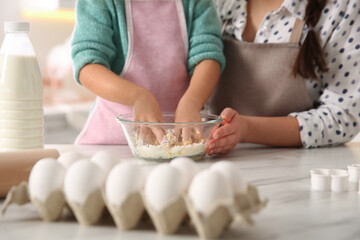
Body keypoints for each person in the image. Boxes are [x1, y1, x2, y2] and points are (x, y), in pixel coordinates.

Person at [207, 0, 360, 155]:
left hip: (299, 166)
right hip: (213, 157)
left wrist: (246, 129)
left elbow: (344, 115)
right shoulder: (219, 4)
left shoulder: (342, 6)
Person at [71, 0, 225, 144]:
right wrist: (138, 97)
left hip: (179, 143)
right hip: (109, 143)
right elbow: (87, 66)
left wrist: (192, 101)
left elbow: (208, 56)